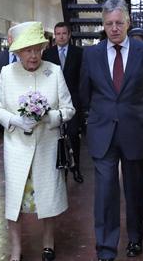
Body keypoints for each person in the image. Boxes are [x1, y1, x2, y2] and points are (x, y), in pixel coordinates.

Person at [79, 0, 143, 260]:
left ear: (128, 22)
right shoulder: (90, 54)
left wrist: (139, 115)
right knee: (105, 191)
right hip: (102, 132)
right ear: (103, 26)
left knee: (135, 188)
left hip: (136, 132)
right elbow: (84, 93)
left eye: (119, 22)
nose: (114, 28)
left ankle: (135, 237)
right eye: (109, 24)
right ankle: (106, 246)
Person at [0, 21, 75, 261]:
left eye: (37, 49)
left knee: (47, 197)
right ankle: (16, 248)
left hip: (47, 146)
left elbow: (69, 109)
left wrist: (51, 117)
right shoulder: (7, 74)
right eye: (28, 50)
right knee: (15, 200)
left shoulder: (54, 71)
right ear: (17, 52)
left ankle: (48, 243)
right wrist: (15, 121)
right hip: (17, 148)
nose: (34, 55)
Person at [42, 21, 84, 183]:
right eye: (58, 34)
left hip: (73, 102)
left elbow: (82, 78)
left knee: (73, 135)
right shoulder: (47, 54)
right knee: (55, 137)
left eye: (64, 33)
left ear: (69, 35)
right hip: (54, 103)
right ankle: (61, 169)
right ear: (55, 35)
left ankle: (76, 167)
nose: (61, 37)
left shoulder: (79, 53)